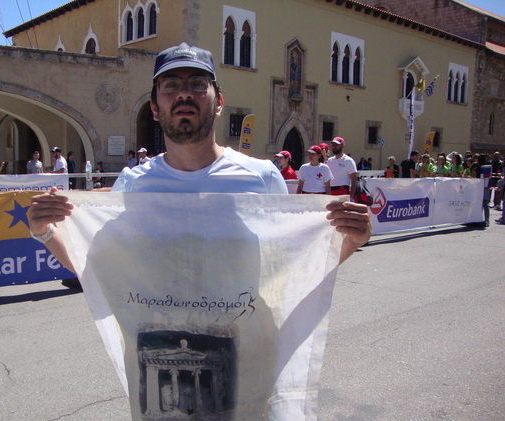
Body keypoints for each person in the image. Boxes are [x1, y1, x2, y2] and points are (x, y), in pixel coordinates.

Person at [28, 42, 370, 270]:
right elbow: (101, 271)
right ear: (155, 108)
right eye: (170, 85)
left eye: (197, 83)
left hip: (245, 354)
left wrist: (351, 241)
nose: (184, 94)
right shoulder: (133, 184)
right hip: (157, 353)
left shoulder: (263, 178)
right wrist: (44, 231)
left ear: (218, 102)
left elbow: (290, 269)